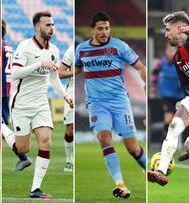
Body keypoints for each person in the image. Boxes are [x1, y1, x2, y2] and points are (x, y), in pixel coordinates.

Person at [75, 11, 147, 199]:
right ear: (92, 30)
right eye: (100, 29)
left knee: (132, 148)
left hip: (120, 102)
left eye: (107, 28)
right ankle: (120, 184)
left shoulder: (119, 46)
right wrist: (61, 73)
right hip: (97, 103)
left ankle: (150, 170)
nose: (104, 32)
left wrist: (146, 84)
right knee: (104, 138)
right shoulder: (82, 49)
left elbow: (140, 67)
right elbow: (77, 67)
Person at [147, 11, 189, 186]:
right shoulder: (178, 58)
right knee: (174, 126)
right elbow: (185, 87)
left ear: (180, 29)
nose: (165, 34)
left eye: (168, 29)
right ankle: (161, 171)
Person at [9, 11, 73, 198]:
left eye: (53, 25)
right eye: (47, 25)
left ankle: (35, 189)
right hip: (21, 104)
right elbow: (15, 73)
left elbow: (53, 77)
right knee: (23, 149)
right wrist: (39, 65)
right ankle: (5, 130)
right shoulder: (25, 47)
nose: (51, 28)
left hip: (41, 105)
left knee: (45, 141)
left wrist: (65, 96)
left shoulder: (53, 50)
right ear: (38, 27)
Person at [1, 19, 32, 171]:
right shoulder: (9, 46)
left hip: (3, 92)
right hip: (10, 89)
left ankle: (23, 157)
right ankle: (22, 157)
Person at [150, 43, 185, 138]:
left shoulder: (181, 62)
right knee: (168, 115)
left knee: (183, 117)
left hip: (180, 94)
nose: (171, 53)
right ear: (165, 52)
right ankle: (166, 132)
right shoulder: (161, 62)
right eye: (169, 51)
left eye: (173, 51)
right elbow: (155, 73)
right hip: (166, 94)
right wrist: (153, 85)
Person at [58, 45, 74, 172]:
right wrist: (75, 72)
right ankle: (69, 160)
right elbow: (60, 73)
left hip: (93, 91)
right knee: (70, 129)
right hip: (73, 91)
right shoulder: (72, 50)